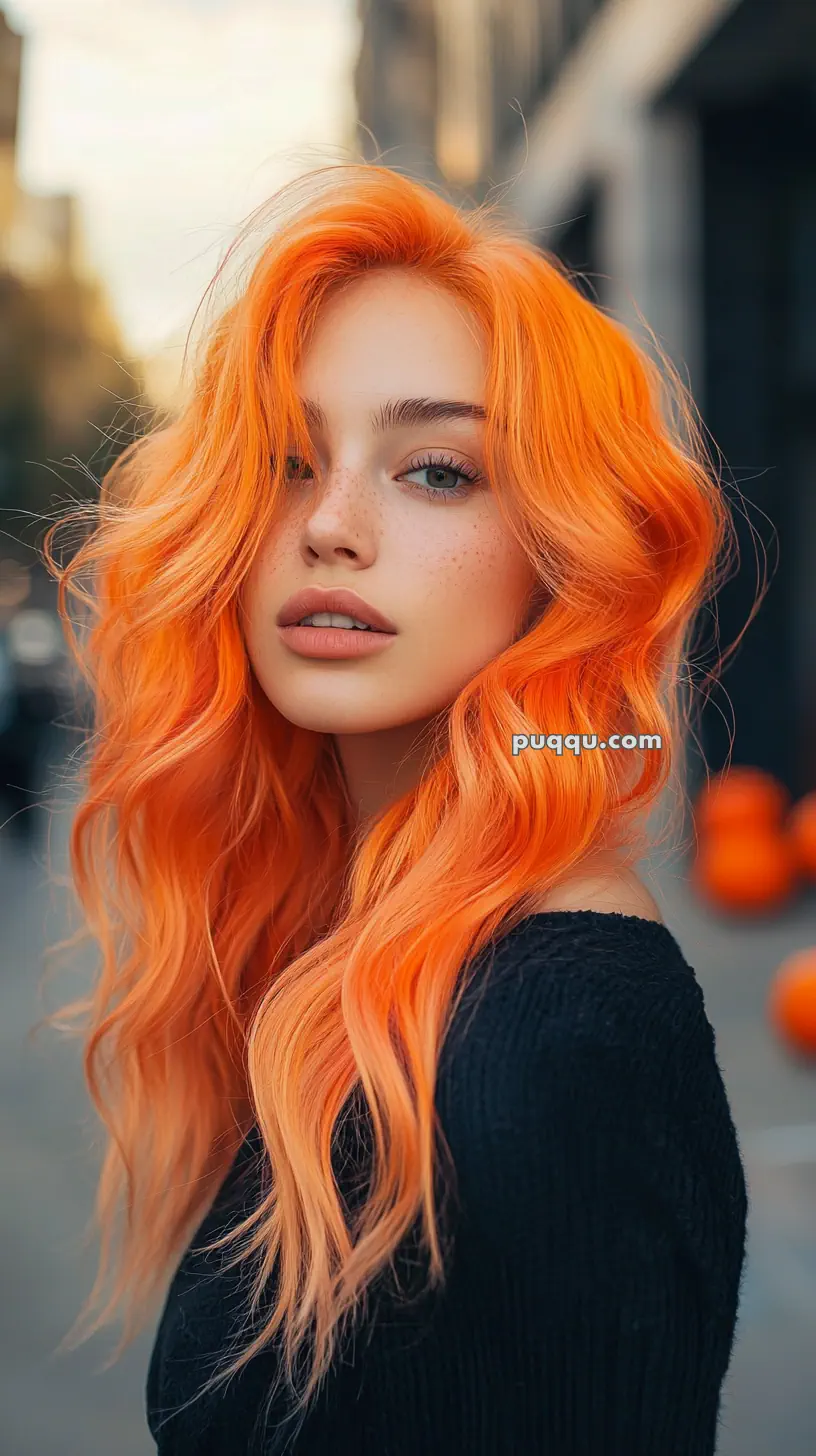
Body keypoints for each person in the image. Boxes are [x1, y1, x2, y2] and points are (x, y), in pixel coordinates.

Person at [41, 163, 748, 1454]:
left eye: (435, 471)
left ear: (561, 554)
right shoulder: (361, 933)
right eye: (285, 462)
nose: (330, 525)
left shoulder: (559, 1033)